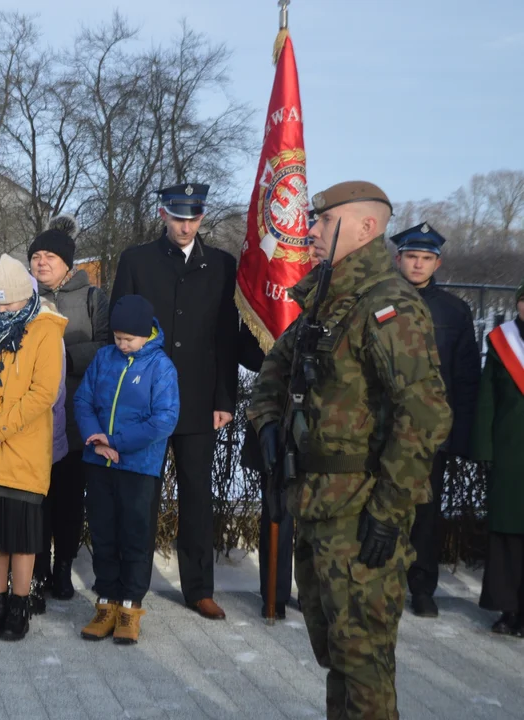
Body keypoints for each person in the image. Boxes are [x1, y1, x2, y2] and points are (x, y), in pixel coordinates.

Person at [247, 181, 452, 719]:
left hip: (361, 513)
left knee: (364, 663)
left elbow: (425, 417)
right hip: (316, 506)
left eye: (323, 221)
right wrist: (268, 422)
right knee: (337, 653)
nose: (310, 231)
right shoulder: (328, 303)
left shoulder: (389, 307)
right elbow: (276, 366)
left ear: (365, 228)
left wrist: (388, 512)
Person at [110, 182, 238, 620]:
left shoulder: (221, 265)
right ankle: (133, 587)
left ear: (202, 217)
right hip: (145, 399)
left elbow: (226, 335)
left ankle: (199, 588)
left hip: (199, 400)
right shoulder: (137, 261)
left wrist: (224, 396)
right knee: (141, 497)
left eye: (194, 217)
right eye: (178, 216)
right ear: (163, 214)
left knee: (197, 498)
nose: (186, 225)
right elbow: (119, 333)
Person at [0, 255, 66, 641]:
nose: (0, 311)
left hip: (22, 447)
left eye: (7, 304)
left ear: (24, 297)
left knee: (21, 536)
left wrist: (0, 428)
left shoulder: (46, 331)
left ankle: (19, 607)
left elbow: (44, 392)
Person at [74, 295, 179, 645]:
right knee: (103, 533)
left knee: (135, 535)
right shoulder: (105, 359)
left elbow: (164, 419)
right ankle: (105, 602)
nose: (122, 344)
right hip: (99, 462)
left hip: (137, 466)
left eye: (129, 339)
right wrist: (96, 438)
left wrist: (117, 442)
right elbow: (83, 400)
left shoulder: (160, 367)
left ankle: (130, 607)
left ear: (146, 334)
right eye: (118, 337)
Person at [390, 222, 481, 618]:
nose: (418, 265)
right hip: (380, 427)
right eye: (412, 256)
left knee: (426, 514)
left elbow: (464, 377)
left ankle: (422, 586)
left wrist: (458, 435)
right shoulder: (378, 300)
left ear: (437, 262)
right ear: (399, 259)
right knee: (380, 509)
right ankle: (381, 584)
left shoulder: (454, 310)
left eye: (426, 258)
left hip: (428, 432)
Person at [27, 215, 109, 603]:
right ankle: (39, 569)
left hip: (76, 415)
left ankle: (63, 569)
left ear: (67, 262)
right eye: (36, 256)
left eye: (50, 256)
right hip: (33, 418)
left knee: (69, 498)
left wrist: (60, 358)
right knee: (37, 498)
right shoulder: (22, 298)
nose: (42, 262)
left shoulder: (92, 298)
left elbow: (109, 346)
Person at [472, 280, 524, 637]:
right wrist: (485, 451)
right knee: (507, 537)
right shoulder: (501, 342)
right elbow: (486, 400)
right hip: (510, 455)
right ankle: (509, 609)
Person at [236, 324, 296, 620]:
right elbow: (247, 352)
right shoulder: (282, 309)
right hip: (280, 414)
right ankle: (276, 593)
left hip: (335, 423)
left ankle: (321, 594)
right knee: (278, 507)